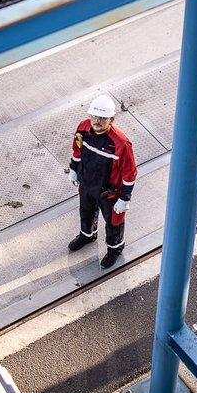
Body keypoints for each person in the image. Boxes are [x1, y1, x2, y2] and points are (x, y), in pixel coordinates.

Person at [67, 93, 137, 269]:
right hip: (87, 185)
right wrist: (73, 170)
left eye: (102, 118)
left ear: (111, 119)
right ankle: (87, 235)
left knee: (114, 223)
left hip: (110, 193)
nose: (97, 121)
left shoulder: (121, 143)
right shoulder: (83, 127)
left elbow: (130, 173)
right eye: (94, 116)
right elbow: (77, 150)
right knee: (86, 212)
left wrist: (124, 199)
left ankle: (114, 250)